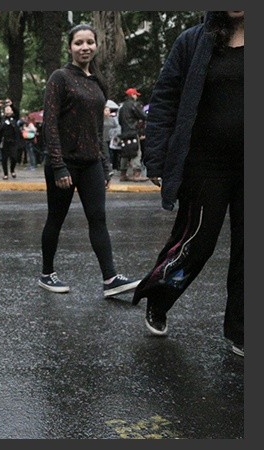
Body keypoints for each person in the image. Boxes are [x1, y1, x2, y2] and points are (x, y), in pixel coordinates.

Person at [132, 11, 244, 357]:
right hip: (205, 164)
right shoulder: (194, 40)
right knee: (197, 242)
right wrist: (157, 156)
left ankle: (241, 329)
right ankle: (159, 297)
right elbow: (165, 98)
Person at [37, 23, 140, 298]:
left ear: (96, 45)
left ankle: (110, 279)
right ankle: (47, 273)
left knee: (98, 218)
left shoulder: (98, 81)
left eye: (89, 43)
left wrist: (105, 164)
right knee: (56, 219)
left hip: (91, 162)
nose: (85, 48)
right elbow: (51, 124)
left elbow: (97, 128)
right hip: (65, 163)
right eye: (78, 43)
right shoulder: (60, 78)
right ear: (70, 47)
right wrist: (57, 165)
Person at [117, 87, 149, 182]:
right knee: (136, 153)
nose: (136, 97)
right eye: (135, 95)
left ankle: (123, 174)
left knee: (125, 153)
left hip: (124, 132)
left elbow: (119, 121)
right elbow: (143, 115)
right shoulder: (134, 105)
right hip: (133, 132)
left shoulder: (122, 108)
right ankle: (136, 174)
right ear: (132, 95)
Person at [0, 102, 21, 180]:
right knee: (4, 159)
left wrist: (12, 105)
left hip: (14, 141)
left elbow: (17, 112)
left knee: (14, 157)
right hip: (5, 141)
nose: (7, 110)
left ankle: (12, 170)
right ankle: (5, 174)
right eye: (6, 109)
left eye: (9, 109)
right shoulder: (2, 119)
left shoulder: (15, 118)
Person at [102, 103, 121, 171]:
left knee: (114, 153)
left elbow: (117, 126)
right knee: (106, 154)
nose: (107, 112)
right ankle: (108, 168)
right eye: (106, 110)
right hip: (103, 138)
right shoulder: (101, 119)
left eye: (108, 110)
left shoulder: (112, 119)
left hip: (112, 138)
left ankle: (115, 166)